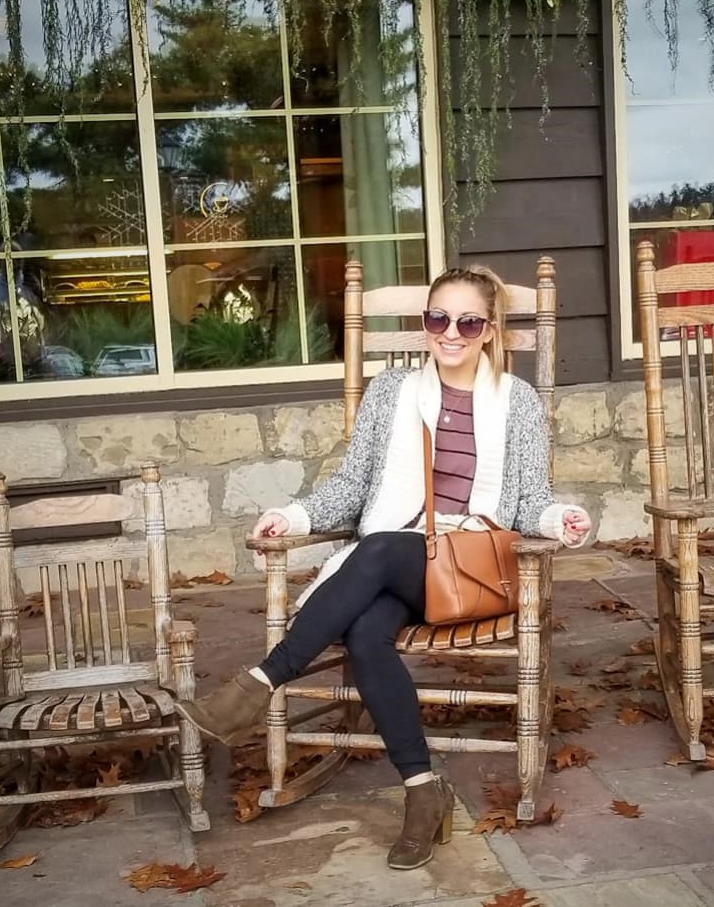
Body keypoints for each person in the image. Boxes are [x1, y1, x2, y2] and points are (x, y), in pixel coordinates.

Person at [177, 264, 592, 869]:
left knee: (377, 549)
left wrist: (559, 518)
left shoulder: (516, 400)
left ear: (488, 329)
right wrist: (293, 516)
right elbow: (352, 485)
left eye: (467, 322)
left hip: (469, 569)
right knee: (367, 634)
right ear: (425, 323)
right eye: (438, 318)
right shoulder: (391, 392)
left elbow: (530, 501)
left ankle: (260, 684)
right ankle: (423, 792)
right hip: (396, 566)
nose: (450, 333)